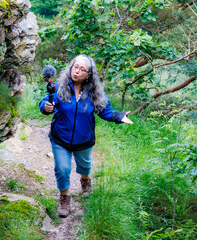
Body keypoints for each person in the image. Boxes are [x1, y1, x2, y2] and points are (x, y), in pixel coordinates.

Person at [39, 54, 133, 218]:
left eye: (82, 69)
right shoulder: (59, 86)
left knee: (85, 165)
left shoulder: (94, 92)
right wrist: (45, 107)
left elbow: (105, 110)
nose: (77, 71)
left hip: (84, 139)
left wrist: (119, 116)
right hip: (60, 138)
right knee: (62, 169)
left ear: (89, 75)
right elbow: (47, 102)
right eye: (75, 67)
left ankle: (85, 180)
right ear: (70, 67)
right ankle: (64, 197)